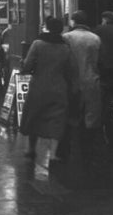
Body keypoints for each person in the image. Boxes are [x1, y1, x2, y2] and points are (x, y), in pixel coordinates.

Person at [19, 17, 76, 163]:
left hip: (39, 85)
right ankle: (53, 154)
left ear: (47, 27)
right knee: (57, 119)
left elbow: (27, 66)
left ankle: (31, 149)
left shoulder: (38, 44)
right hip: (59, 87)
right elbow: (70, 69)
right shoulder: (65, 47)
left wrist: (23, 65)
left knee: (34, 116)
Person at [62, 10, 103, 169]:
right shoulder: (95, 38)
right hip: (92, 80)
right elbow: (100, 61)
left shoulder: (67, 38)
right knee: (91, 117)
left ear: (73, 22)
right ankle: (88, 151)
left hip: (72, 81)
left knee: (72, 116)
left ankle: (67, 150)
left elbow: (64, 60)